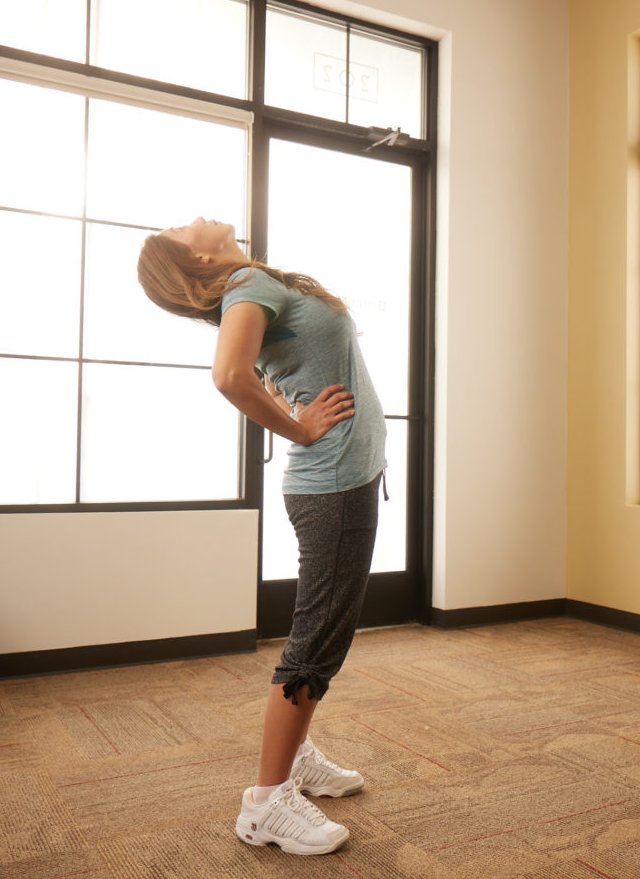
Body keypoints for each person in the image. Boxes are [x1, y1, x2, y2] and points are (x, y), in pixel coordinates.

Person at [137, 218, 387, 856]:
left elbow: (269, 367)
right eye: (180, 225)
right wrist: (300, 429)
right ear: (194, 253)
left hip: (341, 481)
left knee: (325, 631)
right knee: (317, 638)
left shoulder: (254, 285)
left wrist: (291, 403)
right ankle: (266, 802)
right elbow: (229, 376)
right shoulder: (246, 284)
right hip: (330, 483)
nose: (192, 216)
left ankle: (296, 758)